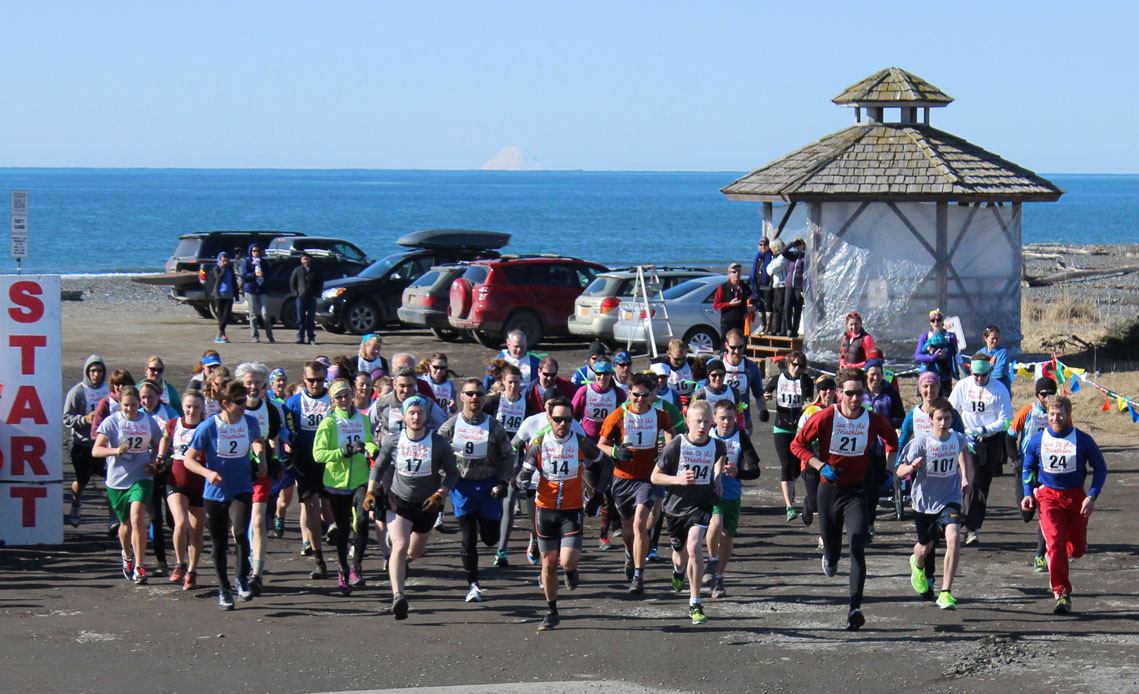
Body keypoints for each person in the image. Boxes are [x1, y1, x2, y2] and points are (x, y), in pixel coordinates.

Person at [791, 367, 899, 631]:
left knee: (857, 545)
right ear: (840, 393)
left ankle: (855, 609)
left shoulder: (872, 419)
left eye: (859, 393)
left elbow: (892, 441)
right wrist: (819, 465)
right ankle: (829, 555)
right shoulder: (826, 417)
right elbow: (797, 445)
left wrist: (889, 470)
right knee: (833, 553)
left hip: (856, 492)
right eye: (849, 393)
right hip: (829, 490)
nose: (854, 398)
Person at [517, 397, 609, 631]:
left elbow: (606, 464)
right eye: (557, 419)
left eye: (567, 419)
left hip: (570, 510)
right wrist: (520, 480)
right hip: (545, 510)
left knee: (567, 561)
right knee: (548, 564)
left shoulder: (580, 442)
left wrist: (598, 494)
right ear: (549, 418)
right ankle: (551, 611)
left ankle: (571, 570)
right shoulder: (539, 443)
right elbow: (524, 471)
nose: (562, 424)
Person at [367, 396, 459, 620]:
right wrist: (371, 491)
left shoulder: (438, 443)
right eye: (412, 413)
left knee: (414, 551)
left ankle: (405, 560)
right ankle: (398, 596)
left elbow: (453, 473)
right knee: (399, 546)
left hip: (427, 504)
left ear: (426, 415)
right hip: (400, 500)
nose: (416, 417)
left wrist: (440, 493)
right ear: (404, 416)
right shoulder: (393, 441)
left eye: (420, 413)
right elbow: (378, 467)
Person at [183, 380, 269, 610]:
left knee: (241, 532)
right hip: (214, 493)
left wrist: (260, 458)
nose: (245, 405)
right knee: (219, 543)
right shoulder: (209, 427)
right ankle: (224, 588)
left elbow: (257, 441)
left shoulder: (249, 422)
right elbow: (188, 459)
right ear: (225, 404)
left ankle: (242, 578)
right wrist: (208, 473)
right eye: (240, 402)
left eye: (246, 401)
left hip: (241, 488)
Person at [1020, 395, 1108, 615]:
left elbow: (1101, 468)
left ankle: (1056, 557)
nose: (1056, 418)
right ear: (1047, 415)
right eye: (1052, 414)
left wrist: (1092, 496)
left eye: (1060, 414)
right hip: (1048, 497)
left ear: (1069, 416)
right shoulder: (1037, 440)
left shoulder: (1083, 440)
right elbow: (1027, 468)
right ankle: (1061, 593)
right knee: (1056, 542)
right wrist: (1027, 493)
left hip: (1076, 497)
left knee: (1076, 550)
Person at [436, 379, 515, 602]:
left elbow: (508, 455)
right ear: (461, 396)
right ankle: (473, 584)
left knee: (490, 538)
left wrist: (503, 481)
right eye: (470, 394)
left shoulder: (493, 426)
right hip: (462, 487)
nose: (474, 398)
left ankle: (487, 523)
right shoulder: (450, 426)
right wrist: (440, 479)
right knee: (468, 538)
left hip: (489, 487)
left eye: (479, 394)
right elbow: (435, 451)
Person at [598, 372, 676, 594]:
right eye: (635, 395)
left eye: (644, 395)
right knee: (627, 529)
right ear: (629, 393)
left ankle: (639, 576)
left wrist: (666, 450)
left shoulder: (660, 415)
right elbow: (600, 444)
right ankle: (630, 555)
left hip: (647, 478)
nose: (640, 400)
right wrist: (614, 450)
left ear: (651, 395)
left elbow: (672, 432)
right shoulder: (617, 416)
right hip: (622, 479)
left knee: (640, 523)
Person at [651, 401, 727, 624]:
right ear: (688, 422)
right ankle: (677, 570)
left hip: (701, 504)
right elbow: (655, 477)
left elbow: (720, 455)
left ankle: (695, 603)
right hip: (675, 507)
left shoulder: (716, 445)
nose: (702, 426)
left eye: (706, 421)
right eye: (698, 421)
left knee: (694, 545)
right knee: (680, 555)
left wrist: (718, 478)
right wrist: (678, 479)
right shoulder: (676, 444)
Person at [896, 398, 972, 610]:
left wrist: (965, 477)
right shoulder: (920, 443)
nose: (943, 423)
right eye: (938, 419)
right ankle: (916, 563)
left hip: (950, 499)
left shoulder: (957, 438)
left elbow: (963, 451)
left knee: (954, 537)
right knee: (925, 547)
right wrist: (912, 467)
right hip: (924, 502)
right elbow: (899, 472)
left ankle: (946, 592)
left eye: (947, 419)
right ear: (931, 420)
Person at [91, 385, 163, 585]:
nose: (130, 409)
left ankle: (140, 566)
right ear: (119, 405)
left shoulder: (148, 421)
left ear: (139, 403)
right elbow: (96, 451)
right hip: (117, 479)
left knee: (138, 517)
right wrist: (115, 451)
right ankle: (127, 554)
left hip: (141, 477)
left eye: (134, 404)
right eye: (126, 405)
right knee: (125, 524)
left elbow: (159, 443)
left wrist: (153, 462)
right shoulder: (112, 422)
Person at [313, 378, 378, 594]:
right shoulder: (329, 423)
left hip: (360, 479)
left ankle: (356, 566)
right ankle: (342, 568)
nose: (344, 399)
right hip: (336, 483)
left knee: (361, 519)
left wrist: (373, 449)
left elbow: (367, 439)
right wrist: (343, 452)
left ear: (352, 396)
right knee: (342, 529)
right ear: (333, 401)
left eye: (346, 395)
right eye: (338, 397)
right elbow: (318, 454)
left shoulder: (362, 419)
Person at [948, 352, 1013, 546]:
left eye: (982, 375)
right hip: (969, 441)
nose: (978, 378)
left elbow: (1006, 420)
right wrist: (961, 431)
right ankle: (970, 527)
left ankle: (975, 523)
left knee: (984, 484)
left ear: (989, 372)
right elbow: (950, 409)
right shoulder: (963, 386)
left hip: (990, 440)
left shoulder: (999, 389)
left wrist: (984, 429)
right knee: (972, 479)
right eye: (975, 374)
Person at [236, 361, 284, 595]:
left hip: (260, 470)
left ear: (265, 386)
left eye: (257, 383)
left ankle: (257, 573)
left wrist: (274, 458)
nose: (252, 387)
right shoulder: (234, 409)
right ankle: (242, 564)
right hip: (235, 471)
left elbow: (273, 437)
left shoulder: (271, 409)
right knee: (239, 523)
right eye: (248, 383)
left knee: (257, 521)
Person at [282, 360, 333, 578]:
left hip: (331, 461)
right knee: (311, 506)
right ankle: (319, 559)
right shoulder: (294, 402)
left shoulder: (333, 399)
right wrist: (288, 445)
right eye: (311, 380)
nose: (315, 384)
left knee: (330, 509)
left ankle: (340, 549)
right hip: (305, 462)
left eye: (320, 380)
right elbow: (285, 428)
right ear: (304, 379)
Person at [705, 398, 760, 598]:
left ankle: (718, 577)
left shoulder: (741, 437)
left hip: (732, 494)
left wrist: (738, 473)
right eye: (722, 418)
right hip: (709, 493)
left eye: (730, 418)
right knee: (714, 524)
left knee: (727, 536)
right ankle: (711, 561)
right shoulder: (707, 435)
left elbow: (755, 470)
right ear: (714, 418)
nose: (726, 422)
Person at [1007, 376, 1058, 572]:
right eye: (1044, 394)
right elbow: (1010, 438)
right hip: (1026, 468)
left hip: (1049, 470)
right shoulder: (1027, 411)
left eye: (1051, 394)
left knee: (1046, 512)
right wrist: (1016, 461)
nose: (1048, 398)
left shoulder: (1060, 413)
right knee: (1026, 514)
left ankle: (1040, 554)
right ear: (1038, 395)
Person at [158, 390, 207, 590]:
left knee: (196, 532)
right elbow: (165, 437)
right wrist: (160, 456)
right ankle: (179, 563)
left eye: (196, 407)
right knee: (181, 523)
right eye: (188, 406)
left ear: (203, 409)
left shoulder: (207, 427)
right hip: (176, 481)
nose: (191, 411)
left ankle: (192, 571)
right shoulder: (174, 424)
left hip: (200, 484)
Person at [485, 363, 531, 567]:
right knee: (489, 501)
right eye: (510, 382)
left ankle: (501, 550)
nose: (513, 386)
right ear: (503, 382)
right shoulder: (493, 402)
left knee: (509, 502)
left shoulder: (527, 404)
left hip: (514, 459)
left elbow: (532, 430)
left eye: (517, 383)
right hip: (490, 458)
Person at [764, 351, 813, 522]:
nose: (796, 368)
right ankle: (789, 506)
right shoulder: (778, 379)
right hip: (782, 427)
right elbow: (766, 391)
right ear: (788, 364)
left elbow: (809, 399)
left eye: (800, 365)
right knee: (785, 464)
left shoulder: (806, 381)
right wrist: (767, 396)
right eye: (793, 364)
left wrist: (808, 402)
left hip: (799, 427)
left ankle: (791, 482)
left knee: (796, 466)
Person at [62, 355, 110, 528]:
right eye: (92, 371)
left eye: (99, 371)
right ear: (87, 372)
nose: (96, 374)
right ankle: (75, 504)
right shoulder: (78, 391)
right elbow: (66, 418)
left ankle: (113, 519)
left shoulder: (109, 391)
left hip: (105, 446)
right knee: (82, 481)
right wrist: (84, 420)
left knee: (111, 482)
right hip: (83, 445)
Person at [138, 379, 178, 575]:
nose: (146, 401)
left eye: (150, 397)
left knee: (173, 520)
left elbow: (180, 439)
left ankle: (183, 559)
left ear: (158, 397)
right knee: (155, 518)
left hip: (169, 470)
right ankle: (162, 562)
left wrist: (166, 459)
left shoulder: (169, 414)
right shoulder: (137, 415)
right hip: (149, 472)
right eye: (143, 398)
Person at [862, 359, 905, 539]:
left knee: (873, 486)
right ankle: (862, 523)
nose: (875, 378)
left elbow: (900, 417)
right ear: (866, 375)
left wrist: (884, 422)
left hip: (882, 446)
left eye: (878, 374)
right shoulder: (860, 392)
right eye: (872, 374)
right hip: (862, 447)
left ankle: (869, 521)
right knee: (863, 484)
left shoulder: (890, 393)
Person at [796, 375, 836, 536]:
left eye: (831, 388)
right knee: (815, 503)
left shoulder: (839, 410)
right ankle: (808, 504)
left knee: (828, 502)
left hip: (831, 463)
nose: (828, 392)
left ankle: (825, 536)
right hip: (811, 462)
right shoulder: (810, 411)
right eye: (824, 389)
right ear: (819, 392)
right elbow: (799, 439)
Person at [721, 329, 768, 435]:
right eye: (733, 347)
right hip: (719, 421)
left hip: (742, 420)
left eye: (740, 347)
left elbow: (758, 394)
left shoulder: (751, 367)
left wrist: (763, 410)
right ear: (726, 345)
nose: (737, 351)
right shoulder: (717, 363)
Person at [571, 360, 626, 442]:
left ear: (611, 374)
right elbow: (571, 413)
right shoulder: (584, 391)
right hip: (587, 438)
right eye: (599, 373)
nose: (602, 377)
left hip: (608, 438)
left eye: (606, 374)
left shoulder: (618, 393)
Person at [915, 309, 959, 395]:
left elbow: (954, 354)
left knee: (942, 406)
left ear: (942, 321)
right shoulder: (925, 336)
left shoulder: (950, 336)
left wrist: (944, 356)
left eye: (938, 319)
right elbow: (918, 356)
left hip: (944, 377)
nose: (936, 322)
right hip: (927, 377)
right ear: (930, 322)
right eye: (933, 320)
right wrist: (932, 357)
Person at [242, 244, 274, 343]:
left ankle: (270, 335)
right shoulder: (247, 262)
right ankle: (255, 336)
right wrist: (254, 274)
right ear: (250, 252)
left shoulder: (263, 262)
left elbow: (269, 275)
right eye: (254, 251)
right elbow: (245, 276)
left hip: (262, 290)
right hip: (251, 289)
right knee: (253, 314)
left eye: (257, 251)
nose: (256, 253)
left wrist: (263, 276)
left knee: (265, 313)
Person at [712, 262, 752, 339]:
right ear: (729, 274)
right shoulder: (723, 287)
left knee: (741, 345)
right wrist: (730, 304)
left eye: (739, 271)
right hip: (727, 323)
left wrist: (753, 307)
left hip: (742, 322)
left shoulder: (745, 287)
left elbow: (754, 300)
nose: (737, 274)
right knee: (725, 346)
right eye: (734, 272)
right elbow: (716, 305)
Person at [290, 252, 323, 345]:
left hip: (311, 298)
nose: (306, 261)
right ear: (301, 260)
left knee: (311, 319)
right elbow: (292, 283)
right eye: (304, 259)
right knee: (301, 319)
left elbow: (320, 283)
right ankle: (300, 337)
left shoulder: (315, 270)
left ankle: (311, 337)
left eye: (307, 259)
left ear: (310, 260)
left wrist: (316, 294)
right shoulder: (297, 270)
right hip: (300, 298)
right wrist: (296, 293)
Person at [782, 239, 807, 337]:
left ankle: (795, 330)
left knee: (797, 308)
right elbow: (783, 251)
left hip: (799, 285)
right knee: (787, 306)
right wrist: (792, 243)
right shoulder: (793, 255)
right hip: (789, 285)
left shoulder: (806, 256)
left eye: (800, 244)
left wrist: (805, 248)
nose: (798, 247)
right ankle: (789, 328)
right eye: (797, 245)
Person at [211, 251, 237, 343]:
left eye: (226, 260)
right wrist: (223, 269)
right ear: (220, 260)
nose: (225, 262)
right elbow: (218, 278)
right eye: (223, 260)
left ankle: (220, 333)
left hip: (229, 294)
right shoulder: (216, 268)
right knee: (221, 316)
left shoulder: (230, 269)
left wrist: (236, 294)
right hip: (219, 294)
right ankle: (222, 335)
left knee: (226, 315)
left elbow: (234, 282)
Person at [750, 237, 774, 334]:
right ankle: (763, 325)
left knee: (768, 305)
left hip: (767, 286)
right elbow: (754, 270)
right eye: (761, 245)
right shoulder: (758, 257)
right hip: (758, 285)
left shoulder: (771, 256)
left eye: (765, 245)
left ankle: (768, 327)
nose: (763, 247)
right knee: (760, 305)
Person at [663, 339, 697, 407]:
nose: (680, 362)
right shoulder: (663, 365)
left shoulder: (692, 363)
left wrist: (691, 396)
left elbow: (701, 384)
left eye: (683, 358)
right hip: (670, 400)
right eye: (676, 359)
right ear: (668, 354)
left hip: (690, 399)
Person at [977, 325, 1011, 392]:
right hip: (983, 389)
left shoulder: (1003, 352)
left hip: (1000, 388)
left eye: (997, 338)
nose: (995, 341)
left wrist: (983, 378)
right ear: (985, 338)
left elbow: (999, 373)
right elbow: (976, 371)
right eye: (992, 338)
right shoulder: (980, 353)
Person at [766, 239, 788, 336]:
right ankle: (776, 328)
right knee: (777, 307)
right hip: (776, 285)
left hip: (782, 285)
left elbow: (773, 269)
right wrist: (771, 268)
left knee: (781, 307)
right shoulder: (775, 257)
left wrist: (771, 268)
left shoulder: (783, 257)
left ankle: (782, 329)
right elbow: (768, 268)